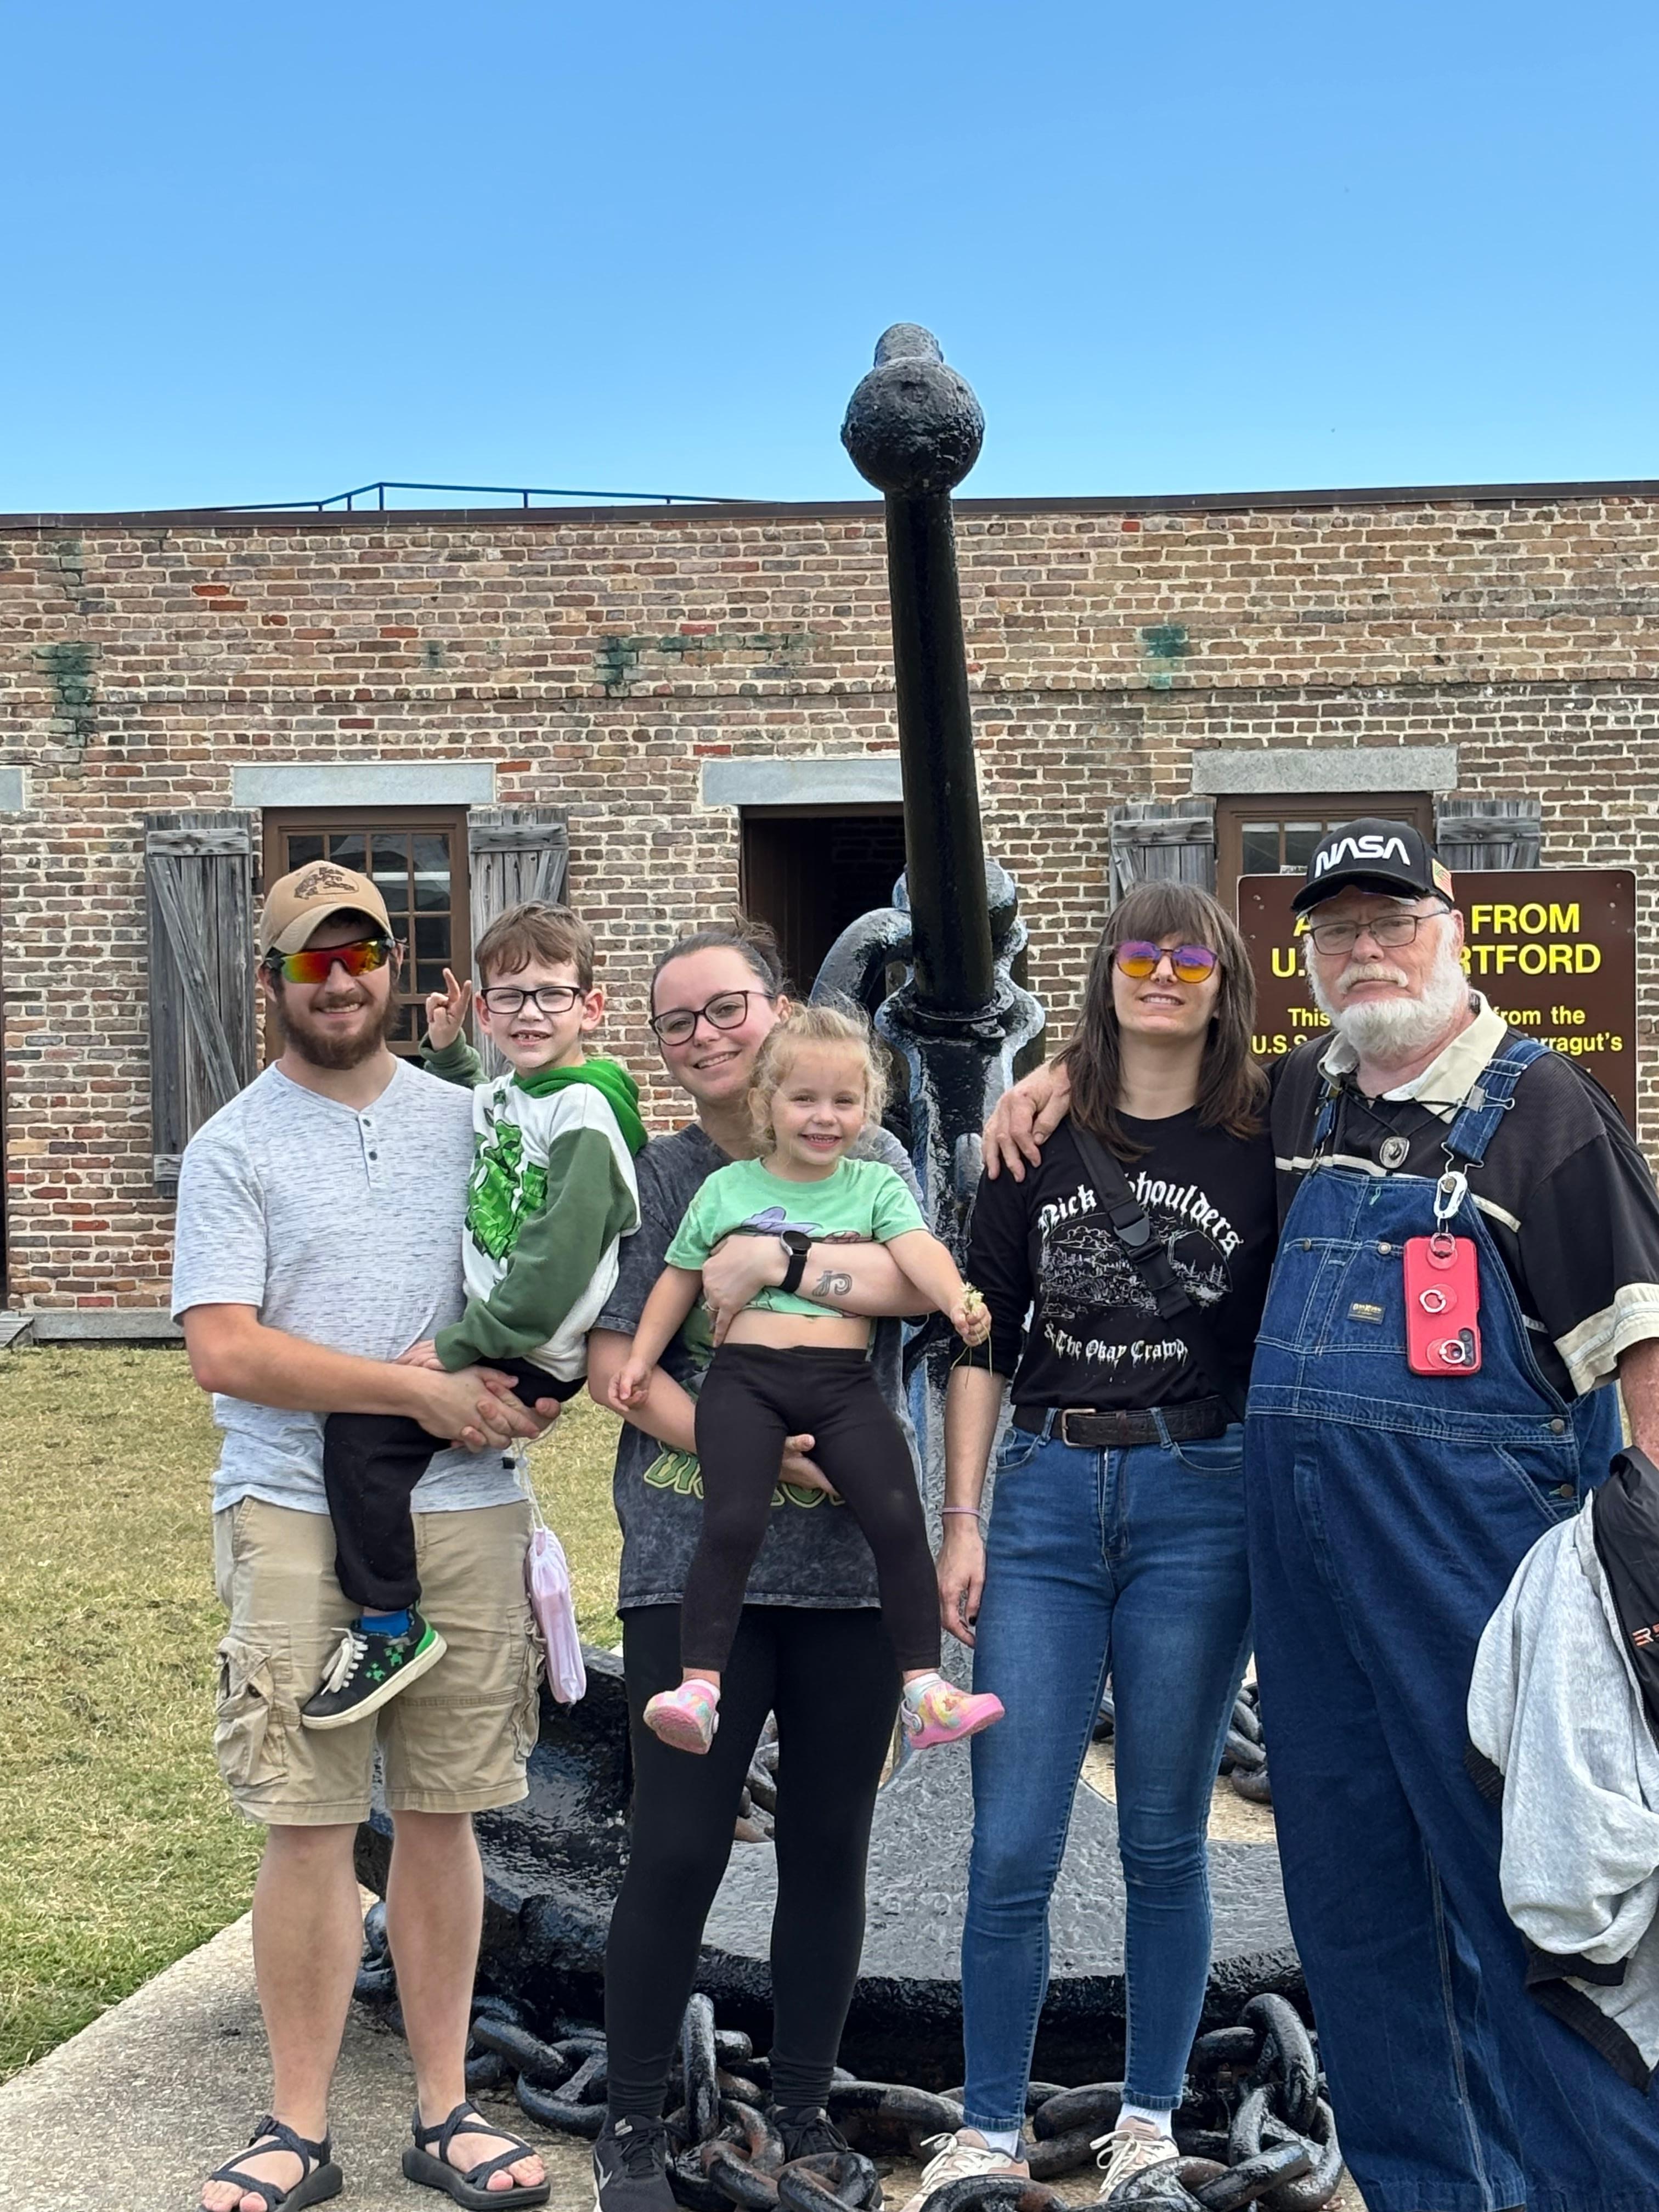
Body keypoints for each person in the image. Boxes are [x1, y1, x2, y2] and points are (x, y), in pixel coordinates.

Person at [984, 821, 1659, 2212]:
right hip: (1308, 1594)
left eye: (1393, 922)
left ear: (1452, 925)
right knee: (1357, 1929)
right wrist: (1050, 1078)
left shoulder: (1548, 1113)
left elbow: (1642, 1350)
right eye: (1338, 931)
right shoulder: (1298, 1101)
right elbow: (1155, 1073)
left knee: (1530, 1921)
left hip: (1476, 1593)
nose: (1367, 952)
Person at [176, 861, 552, 2212]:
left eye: (362, 956)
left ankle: (445, 2109)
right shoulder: (233, 1148)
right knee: (311, 1817)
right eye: (311, 962)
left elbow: (544, 1279)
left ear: (397, 968)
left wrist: (531, 1390)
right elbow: (226, 1351)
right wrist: (413, 1394)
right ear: (270, 980)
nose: (339, 983)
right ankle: (297, 2125)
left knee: (446, 1815)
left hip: (467, 1507)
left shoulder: (479, 1122)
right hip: (292, 1508)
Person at [910, 883, 1276, 2208]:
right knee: (1013, 1841)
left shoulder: (1268, 1132)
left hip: (1200, 1494)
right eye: (1140, 952)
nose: (1163, 974)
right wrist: (963, 1518)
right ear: (1106, 972)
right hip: (1047, 1497)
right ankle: (988, 2128)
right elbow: (982, 1335)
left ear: (1225, 983)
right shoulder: (1037, 1141)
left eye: (1191, 958)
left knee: (1165, 1838)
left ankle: (1147, 2123)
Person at [583, 920, 933, 2211]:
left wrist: (775, 1261)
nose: (706, 1036)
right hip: (693, 1562)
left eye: (727, 1007)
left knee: (828, 1848)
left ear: (778, 1011)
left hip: (848, 1576)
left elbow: (920, 1285)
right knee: (676, 1848)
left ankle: (801, 2109)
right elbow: (621, 1363)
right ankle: (631, 2119)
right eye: (678, 1021)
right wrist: (765, 1454)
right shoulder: (666, 1176)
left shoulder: (871, 1154)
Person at [610, 1001, 1000, 1754]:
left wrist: (956, 1298)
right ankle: (700, 1687)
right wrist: (640, 1358)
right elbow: (678, 1280)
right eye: (804, 1099)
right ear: (767, 1103)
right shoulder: (726, 1190)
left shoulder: (874, 1184)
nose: (825, 1118)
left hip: (844, 1386)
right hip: (745, 1383)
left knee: (896, 1516)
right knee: (733, 1522)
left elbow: (917, 1251)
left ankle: (925, 1688)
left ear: (868, 1107)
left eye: (845, 1101)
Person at [301, 900, 645, 1731]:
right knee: (383, 1439)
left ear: (591, 1008)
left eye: (552, 995)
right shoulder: (524, 1092)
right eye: (510, 997)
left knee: (362, 1439)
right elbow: (485, 1114)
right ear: (487, 1011)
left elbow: (557, 1264)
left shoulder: (585, 1115)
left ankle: (389, 1624)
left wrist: (460, 1346)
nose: (530, 1013)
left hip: (529, 1345)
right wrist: (450, 1050)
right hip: (510, 1338)